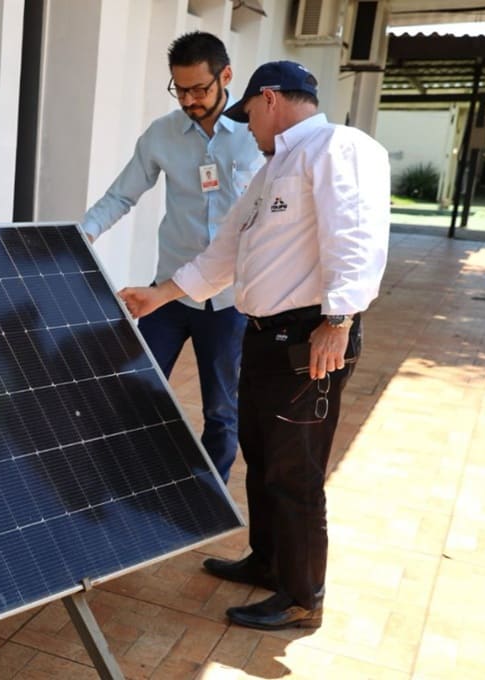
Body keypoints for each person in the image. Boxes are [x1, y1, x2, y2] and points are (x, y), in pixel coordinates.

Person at [117, 60, 390, 630]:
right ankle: (268, 562)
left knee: (296, 473)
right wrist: (160, 295)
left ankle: (300, 597)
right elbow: (223, 254)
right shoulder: (273, 169)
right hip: (265, 340)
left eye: (249, 115)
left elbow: (356, 234)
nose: (248, 128)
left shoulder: (338, 147)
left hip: (311, 338)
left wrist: (338, 318)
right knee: (263, 460)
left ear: (269, 99)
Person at [80, 31, 263, 483]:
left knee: (221, 408)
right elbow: (121, 196)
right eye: (179, 89)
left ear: (226, 77)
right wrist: (81, 234)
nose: (189, 99)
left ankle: (209, 496)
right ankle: (125, 483)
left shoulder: (256, 134)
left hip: (230, 302)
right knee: (136, 390)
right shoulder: (162, 135)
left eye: (199, 89)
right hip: (169, 295)